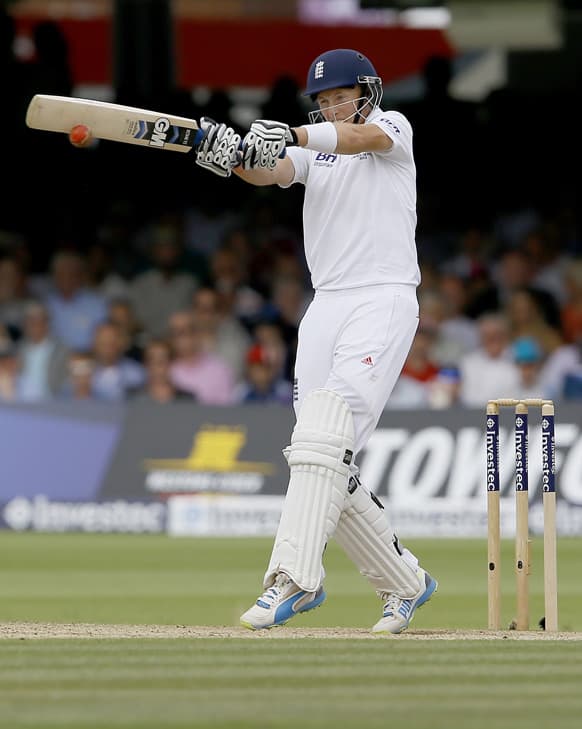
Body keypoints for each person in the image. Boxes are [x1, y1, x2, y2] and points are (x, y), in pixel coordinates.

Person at [193, 48, 437, 634]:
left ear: (367, 92)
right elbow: (272, 170)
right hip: (325, 302)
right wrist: (229, 159)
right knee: (320, 452)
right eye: (324, 101)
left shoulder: (391, 127)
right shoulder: (316, 151)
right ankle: (405, 582)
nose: (333, 107)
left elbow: (356, 142)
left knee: (327, 444)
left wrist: (297, 132)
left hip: (382, 297)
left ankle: (295, 580)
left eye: (341, 97)